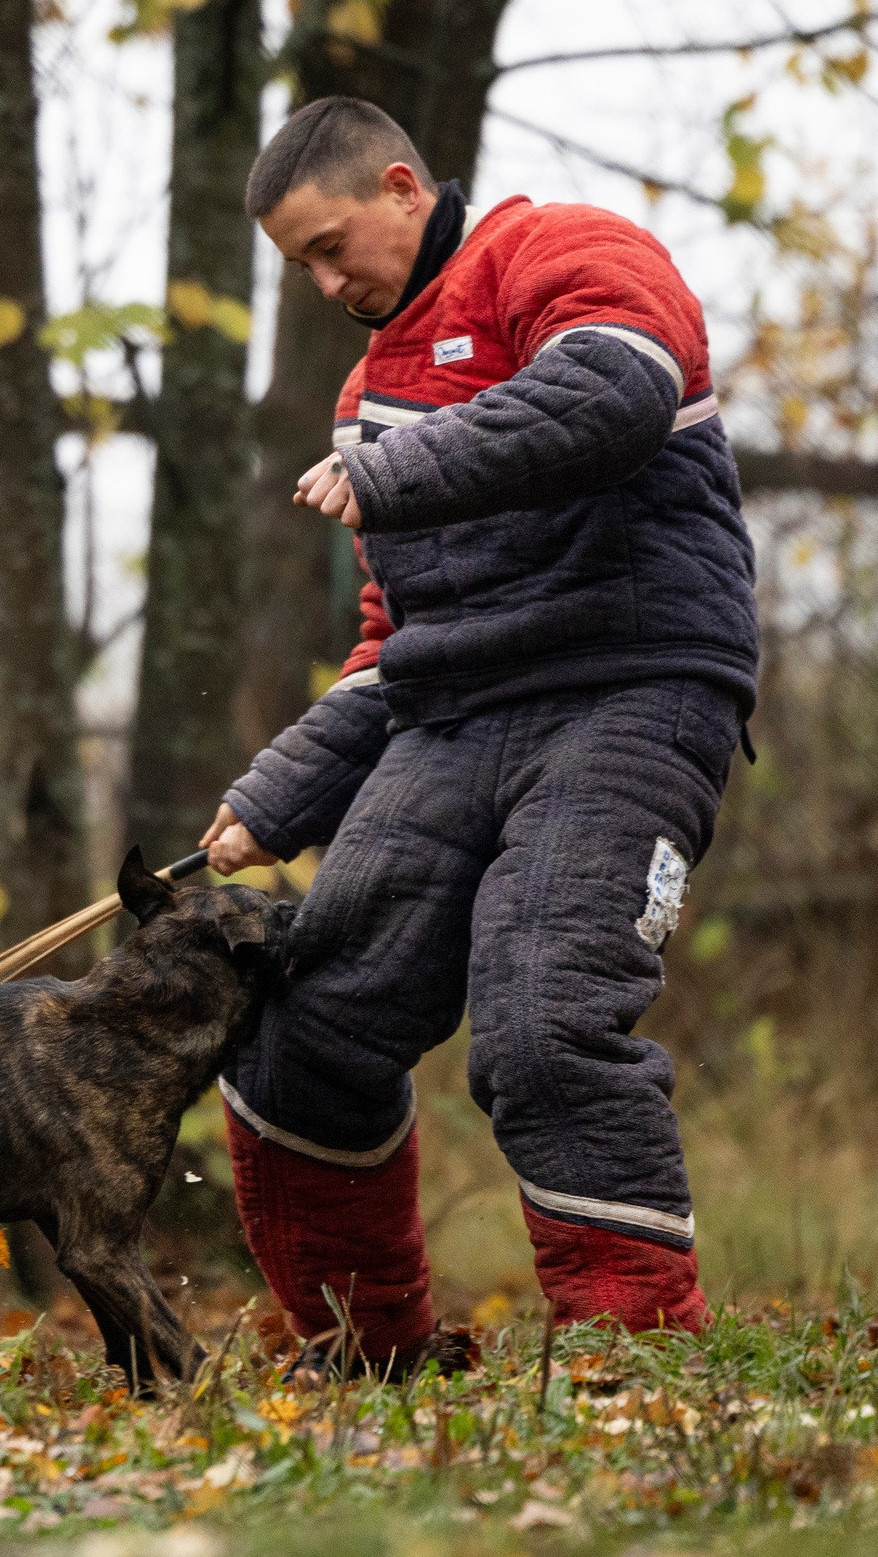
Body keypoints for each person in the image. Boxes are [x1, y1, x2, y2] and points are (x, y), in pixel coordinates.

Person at [198, 97, 759, 1370]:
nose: (329, 281)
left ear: (404, 186)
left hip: (634, 685)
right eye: (303, 266)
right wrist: (274, 798)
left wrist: (402, 472)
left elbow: (613, 390)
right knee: (300, 1035)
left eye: (336, 246)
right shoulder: (364, 395)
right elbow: (393, 638)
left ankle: (632, 1361)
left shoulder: (562, 249)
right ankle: (364, 1352)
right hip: (457, 715)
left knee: (542, 1021)